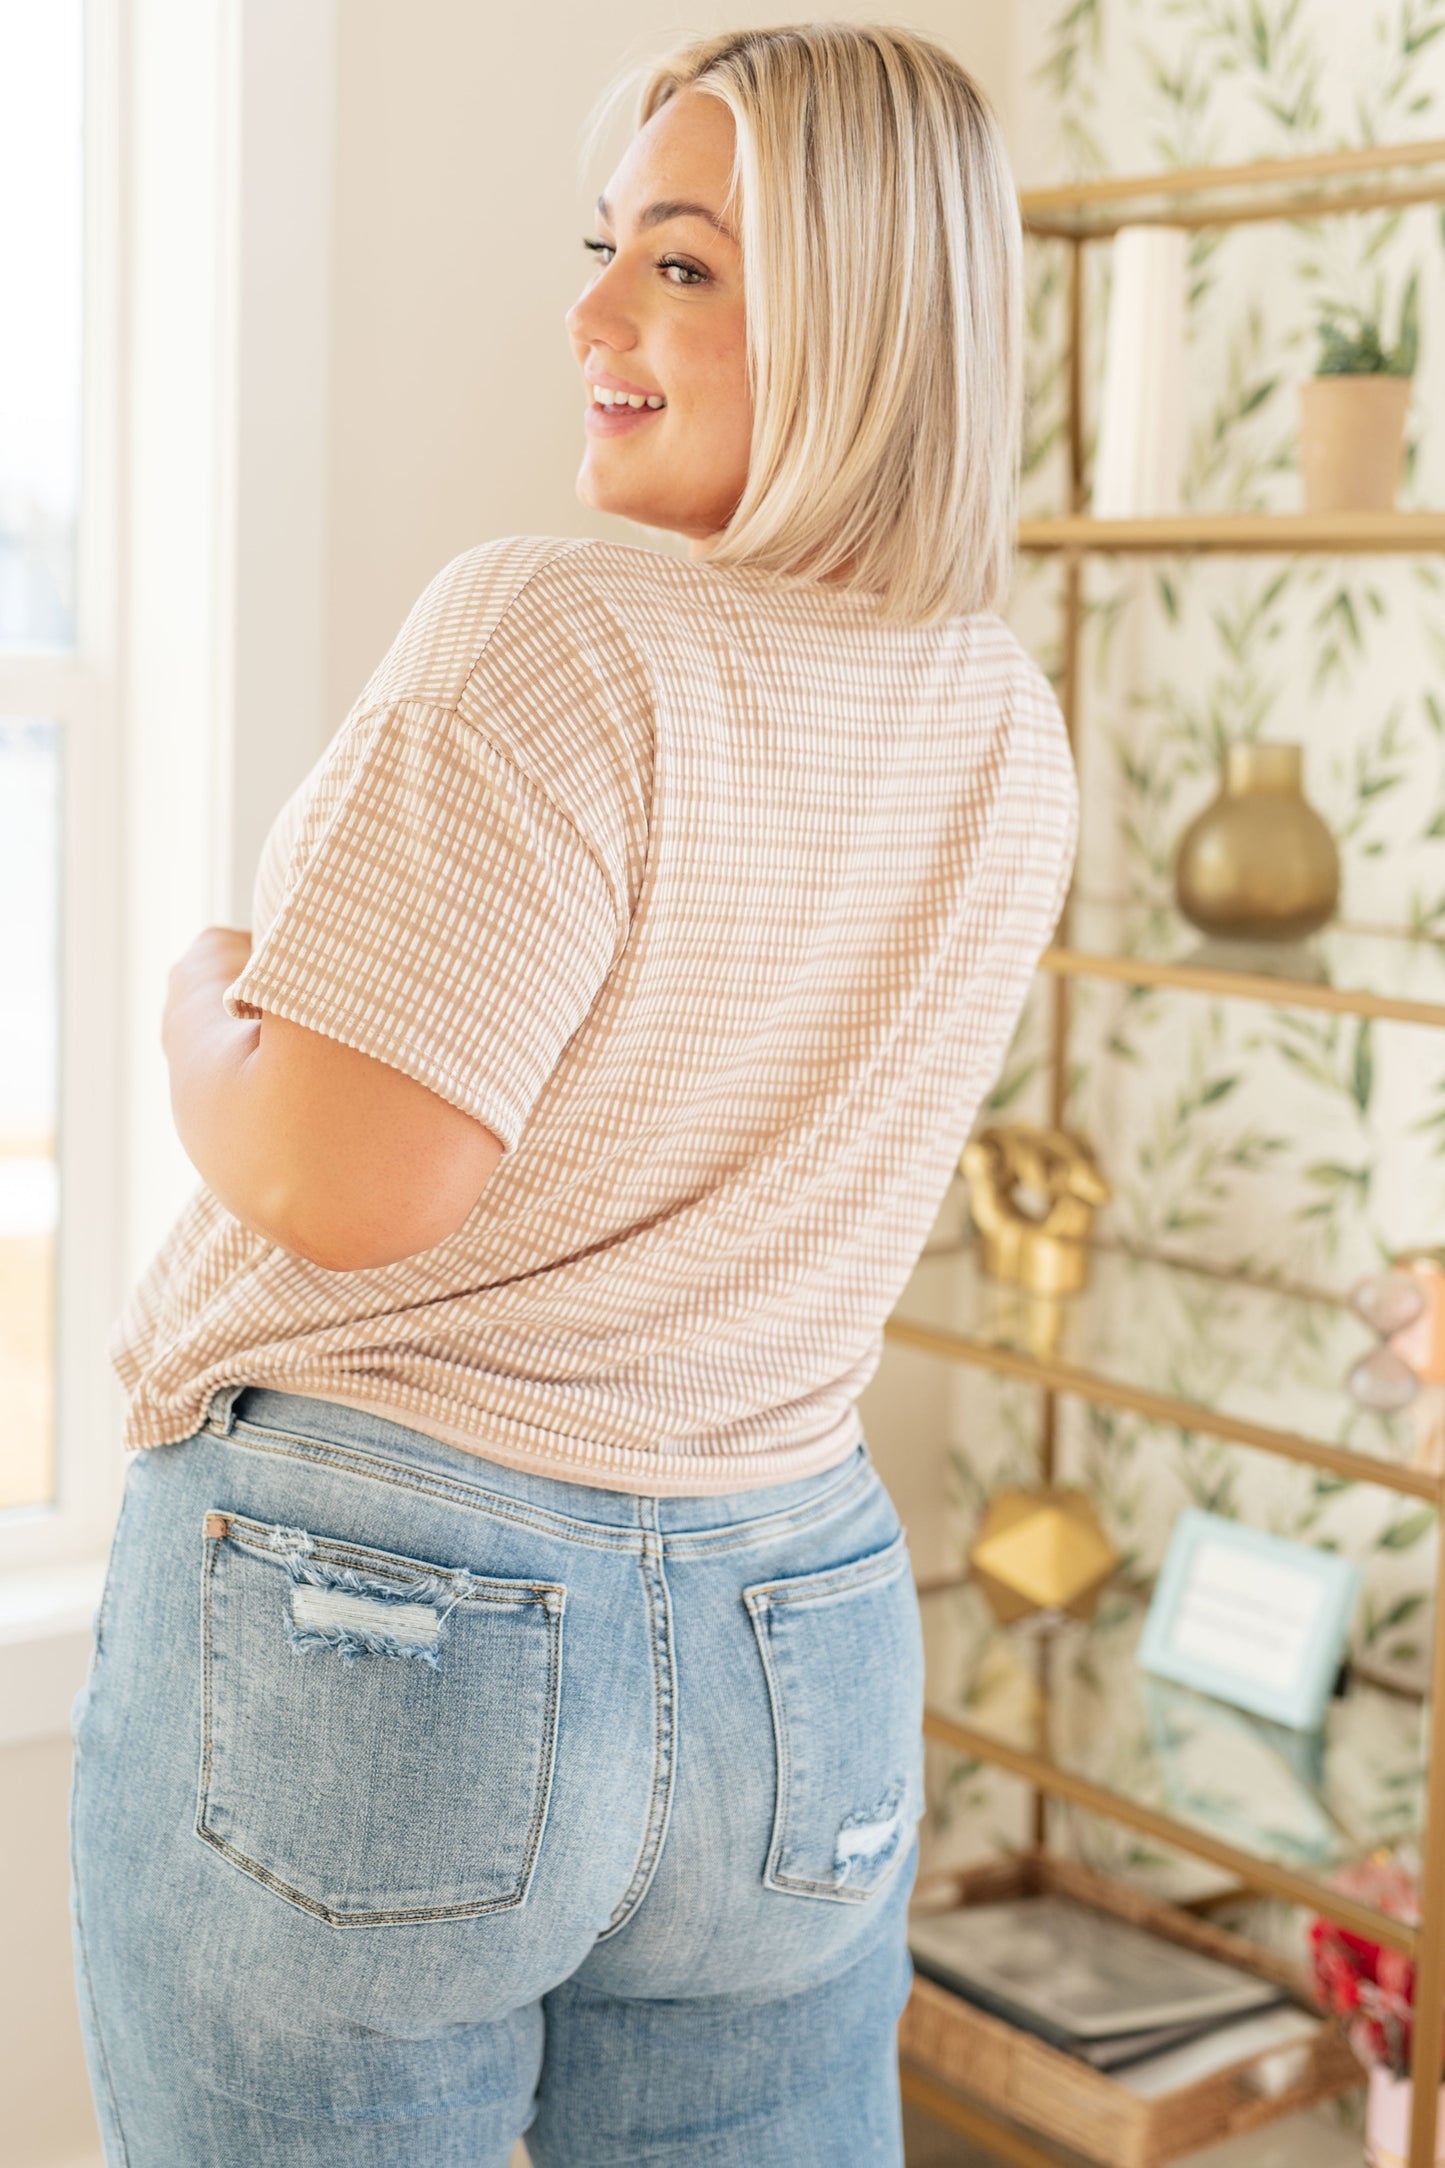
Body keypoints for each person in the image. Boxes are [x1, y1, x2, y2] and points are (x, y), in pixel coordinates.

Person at [70, 21, 1079, 2166]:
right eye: (606, 247)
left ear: (870, 316)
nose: (593, 314)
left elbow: (344, 1179)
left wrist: (198, 999)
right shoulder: (1005, 723)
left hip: (382, 1608)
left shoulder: (562, 636)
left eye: (686, 267)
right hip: (796, 1647)